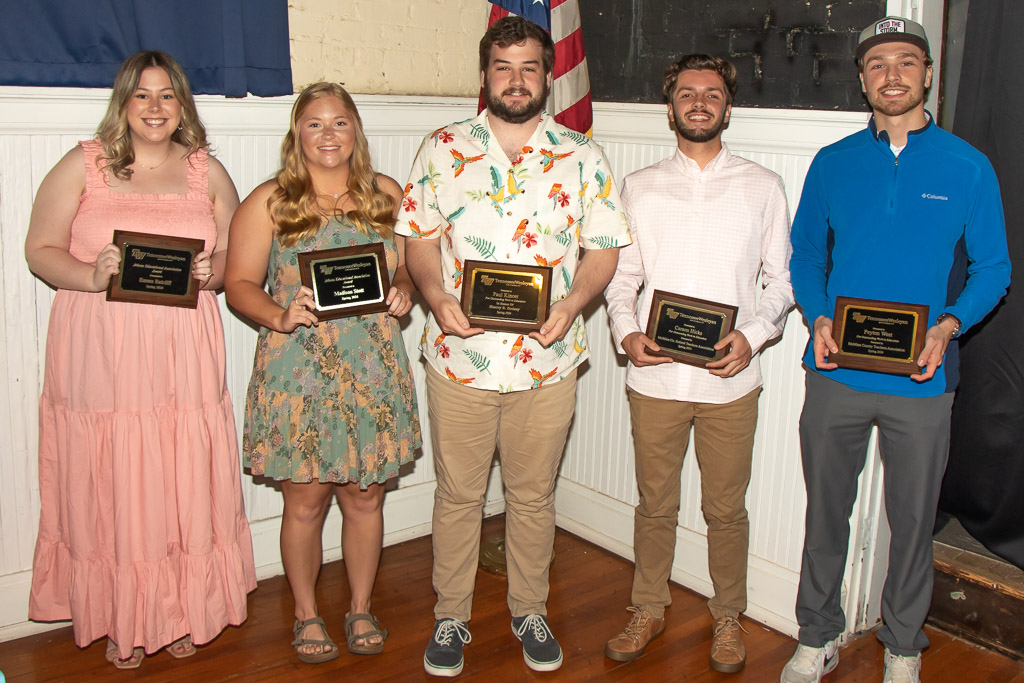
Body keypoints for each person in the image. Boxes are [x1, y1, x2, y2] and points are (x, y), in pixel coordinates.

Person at [396, 15, 630, 677]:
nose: (517, 79)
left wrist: (573, 303)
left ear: (549, 75)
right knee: (458, 496)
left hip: (548, 362)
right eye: (504, 67)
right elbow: (416, 237)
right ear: (484, 76)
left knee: (533, 497)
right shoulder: (442, 148)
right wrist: (437, 298)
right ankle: (451, 615)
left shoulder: (581, 155)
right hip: (458, 359)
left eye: (530, 67)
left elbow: (603, 248)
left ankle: (530, 607)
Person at [781, 17, 1010, 683]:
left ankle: (903, 644)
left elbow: (993, 269)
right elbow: (805, 256)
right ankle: (817, 633)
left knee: (911, 525)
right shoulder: (833, 163)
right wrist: (819, 316)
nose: (892, 75)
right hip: (835, 373)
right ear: (862, 79)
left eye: (906, 61)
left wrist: (949, 326)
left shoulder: (968, 165)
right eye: (877, 63)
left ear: (928, 74)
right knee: (827, 516)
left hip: (924, 378)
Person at [24, 51, 257, 670]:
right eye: (142, 96)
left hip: (182, 350)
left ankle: (178, 608)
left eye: (168, 96)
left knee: (179, 475)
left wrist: (211, 276)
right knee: (115, 476)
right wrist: (87, 273)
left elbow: (237, 257)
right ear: (123, 102)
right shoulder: (84, 164)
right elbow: (38, 250)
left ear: (183, 104)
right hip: (102, 347)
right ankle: (120, 619)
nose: (155, 108)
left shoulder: (207, 171)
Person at [603, 54, 793, 674]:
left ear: (727, 107)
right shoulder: (639, 186)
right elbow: (621, 279)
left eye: (713, 93)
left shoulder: (763, 186)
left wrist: (756, 335)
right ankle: (647, 608)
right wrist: (628, 334)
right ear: (671, 107)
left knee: (725, 510)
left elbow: (780, 282)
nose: (701, 102)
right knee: (655, 505)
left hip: (730, 385)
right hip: (654, 379)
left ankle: (728, 617)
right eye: (688, 93)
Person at [224, 82, 420, 665]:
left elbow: (409, 269)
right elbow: (237, 284)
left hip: (373, 368)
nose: (328, 135)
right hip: (298, 373)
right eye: (314, 123)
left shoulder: (386, 194)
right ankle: (306, 614)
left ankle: (361, 606)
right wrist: (280, 315)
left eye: (339, 123)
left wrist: (405, 291)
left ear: (355, 131)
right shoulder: (271, 201)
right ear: (296, 133)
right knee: (304, 504)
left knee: (365, 501)